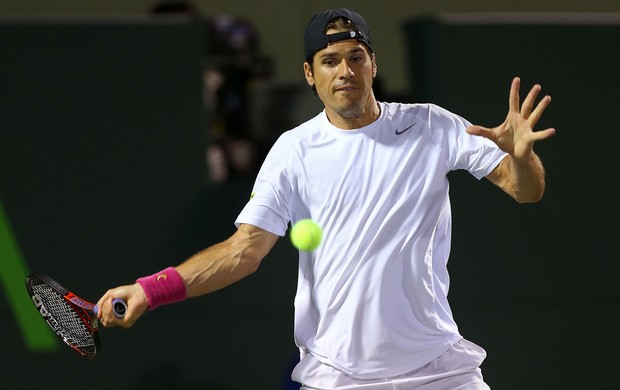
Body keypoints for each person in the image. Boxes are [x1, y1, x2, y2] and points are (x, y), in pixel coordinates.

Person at [96, 8, 555, 389]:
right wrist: (150, 290)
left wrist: (522, 157)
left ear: (373, 64)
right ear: (309, 75)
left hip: (439, 371)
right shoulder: (293, 151)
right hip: (338, 378)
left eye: (356, 57)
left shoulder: (430, 125)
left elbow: (525, 191)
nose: (345, 72)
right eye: (330, 60)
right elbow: (243, 252)